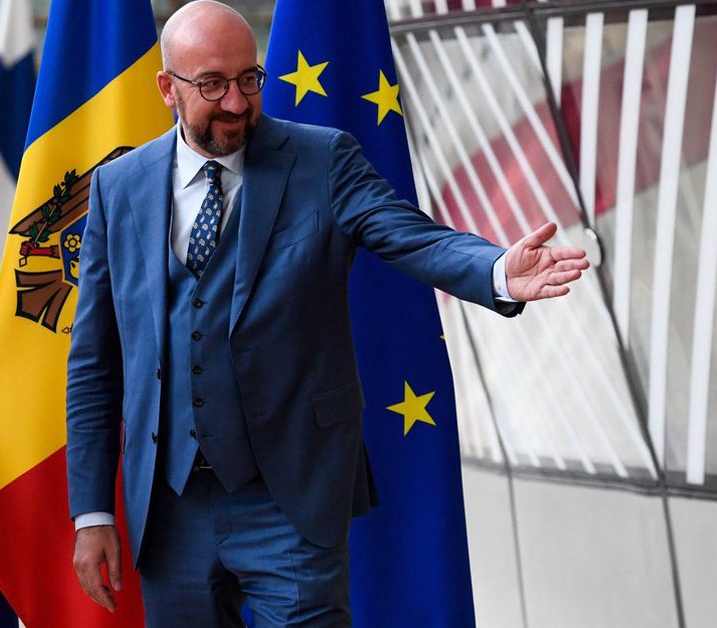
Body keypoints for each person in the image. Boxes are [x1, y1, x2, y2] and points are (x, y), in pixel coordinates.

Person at [65, 2, 589, 626]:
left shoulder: (323, 159)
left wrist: (497, 270)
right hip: (170, 509)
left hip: (289, 501)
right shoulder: (119, 186)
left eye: (249, 79)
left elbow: (411, 235)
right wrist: (92, 513)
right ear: (167, 88)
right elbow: (94, 363)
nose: (236, 102)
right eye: (211, 84)